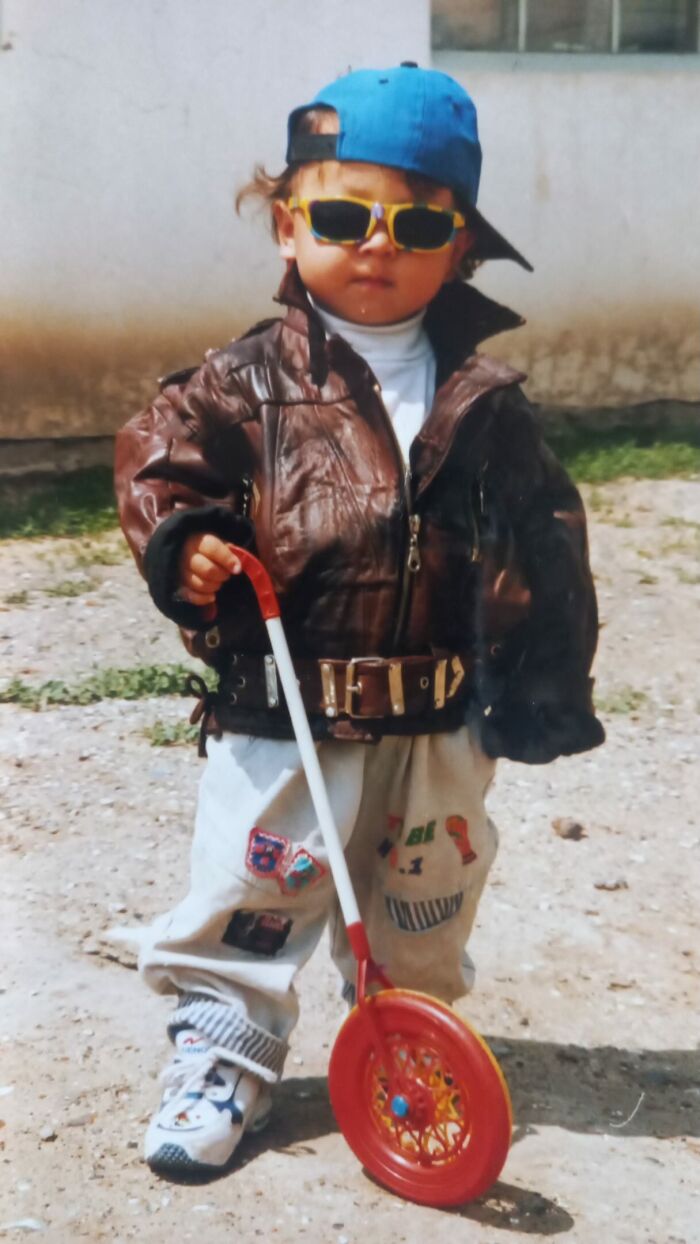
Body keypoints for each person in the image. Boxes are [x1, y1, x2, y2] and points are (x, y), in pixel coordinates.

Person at [114, 63, 604, 1179]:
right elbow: (157, 460)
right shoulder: (237, 383)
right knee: (256, 888)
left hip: (438, 715)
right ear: (290, 228)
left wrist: (542, 679)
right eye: (341, 215)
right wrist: (179, 533)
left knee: (425, 892)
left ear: (460, 245)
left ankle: (403, 1028)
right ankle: (224, 1048)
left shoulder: (486, 397)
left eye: (414, 223)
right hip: (286, 706)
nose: (373, 245)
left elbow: (547, 536)